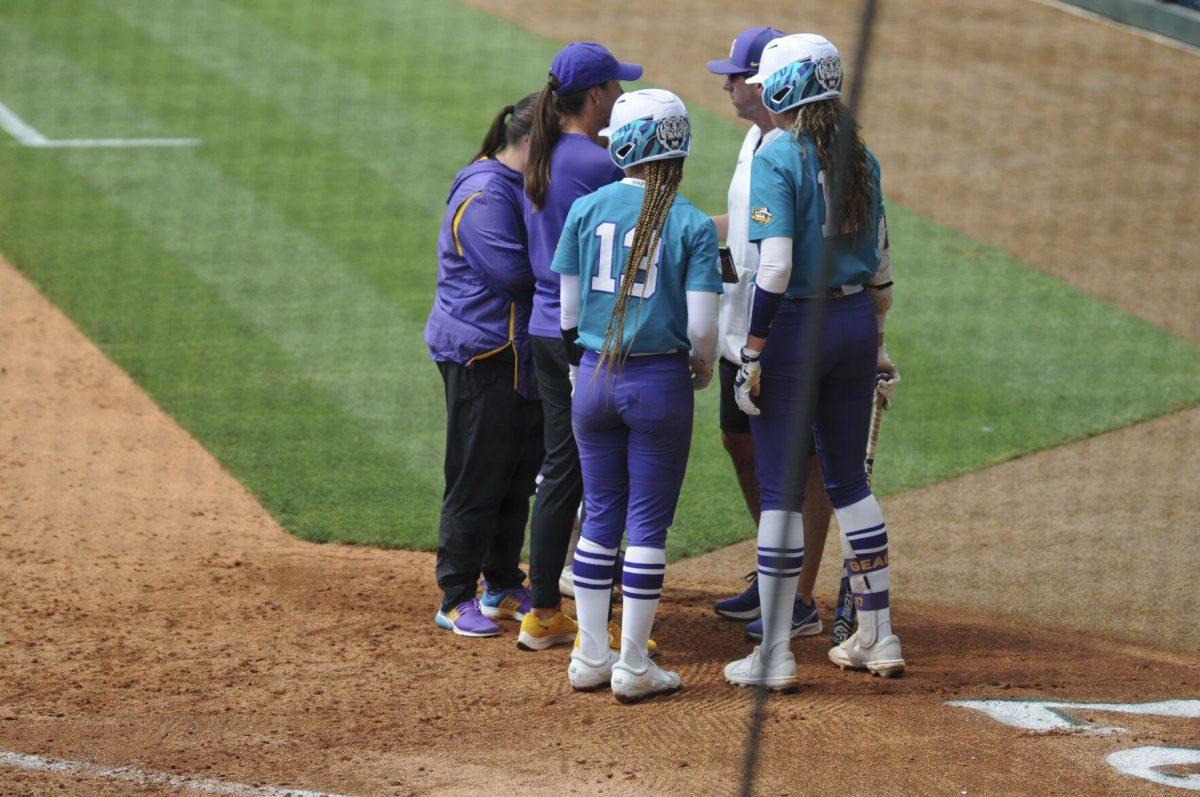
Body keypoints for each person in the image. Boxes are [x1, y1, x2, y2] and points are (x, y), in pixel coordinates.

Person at [722, 34, 903, 689]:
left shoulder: (779, 154)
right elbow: (881, 267)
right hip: (855, 321)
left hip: (797, 326)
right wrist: (878, 346)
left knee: (780, 490)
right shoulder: (862, 156)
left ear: (783, 89)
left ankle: (773, 651)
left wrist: (753, 348)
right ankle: (877, 635)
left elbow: (774, 266)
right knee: (849, 480)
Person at [554, 89, 721, 701]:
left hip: (593, 377)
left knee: (599, 515)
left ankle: (590, 658)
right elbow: (703, 329)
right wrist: (701, 365)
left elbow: (568, 313)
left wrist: (586, 364)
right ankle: (633, 668)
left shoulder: (586, 209)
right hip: (658, 385)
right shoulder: (692, 223)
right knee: (647, 525)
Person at [706, 26, 834, 643]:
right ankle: (771, 571)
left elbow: (787, 245)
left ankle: (801, 595)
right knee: (740, 442)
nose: (727, 84)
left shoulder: (798, 147)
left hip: (781, 326)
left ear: (765, 80)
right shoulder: (755, 139)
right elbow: (747, 224)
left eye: (735, 73)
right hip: (738, 322)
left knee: (802, 461)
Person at [517, 42, 643, 653]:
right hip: (586, 335)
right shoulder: (594, 165)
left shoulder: (548, 153)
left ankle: (544, 612)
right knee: (601, 471)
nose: (619, 98)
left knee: (563, 469)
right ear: (594, 96)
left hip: (546, 327)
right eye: (615, 89)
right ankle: (598, 621)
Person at [424, 95, 543, 637]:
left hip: (516, 355)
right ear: (529, 142)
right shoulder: (484, 193)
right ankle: (454, 595)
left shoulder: (518, 185)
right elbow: (516, 276)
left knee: (516, 475)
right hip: (482, 354)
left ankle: (498, 581)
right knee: (476, 475)